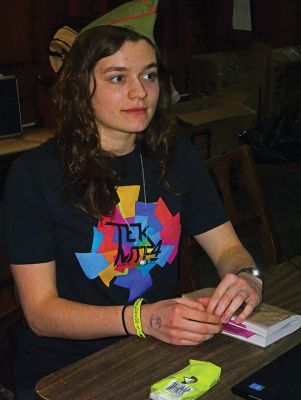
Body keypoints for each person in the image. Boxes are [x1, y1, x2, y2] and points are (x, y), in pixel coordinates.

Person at [0, 1, 262, 399]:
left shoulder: (175, 155)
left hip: (160, 350)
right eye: (118, 77)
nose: (140, 91)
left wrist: (246, 278)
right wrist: (143, 319)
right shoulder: (35, 176)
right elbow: (41, 313)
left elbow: (228, 248)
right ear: (78, 86)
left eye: (149, 75)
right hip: (65, 368)